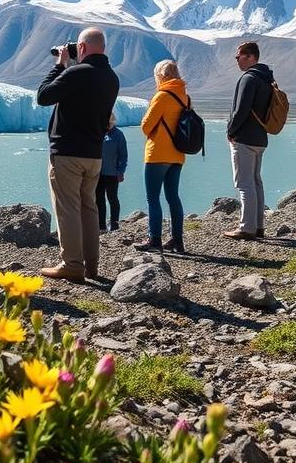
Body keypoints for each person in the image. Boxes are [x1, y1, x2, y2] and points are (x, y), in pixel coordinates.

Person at [36, 27, 120, 281]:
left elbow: (44, 96)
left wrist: (59, 65)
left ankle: (72, 264)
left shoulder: (76, 72)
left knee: (68, 209)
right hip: (94, 155)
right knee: (89, 208)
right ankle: (91, 266)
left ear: (81, 48)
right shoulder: (111, 77)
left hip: (67, 152)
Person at [134, 60, 187, 253]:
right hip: (177, 154)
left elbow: (146, 126)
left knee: (153, 198)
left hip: (157, 154)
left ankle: (155, 240)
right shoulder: (184, 96)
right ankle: (177, 240)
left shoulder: (162, 96)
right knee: (173, 196)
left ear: (160, 76)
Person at [224, 42, 274, 241]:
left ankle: (247, 228)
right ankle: (258, 226)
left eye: (239, 57)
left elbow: (241, 110)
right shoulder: (266, 78)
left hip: (244, 138)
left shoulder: (248, 78)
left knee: (244, 184)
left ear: (251, 57)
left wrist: (231, 131)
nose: (237, 60)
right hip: (260, 137)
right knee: (255, 182)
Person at [97, 112, 127, 233]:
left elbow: (123, 155)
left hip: (112, 173)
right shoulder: (100, 133)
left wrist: (121, 171)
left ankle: (114, 224)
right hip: (98, 173)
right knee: (99, 199)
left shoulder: (119, 135)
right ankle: (101, 226)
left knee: (112, 198)